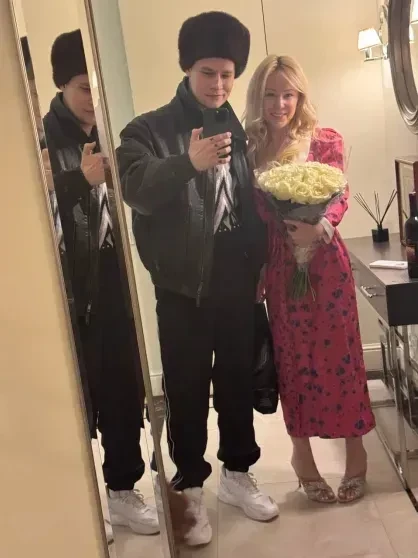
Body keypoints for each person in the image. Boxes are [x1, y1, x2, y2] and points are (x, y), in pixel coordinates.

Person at [117, 11, 279, 547]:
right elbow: (136, 188)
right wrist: (187, 162)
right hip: (182, 285)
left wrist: (262, 261)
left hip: (236, 277)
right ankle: (188, 486)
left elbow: (250, 203)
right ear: (187, 68)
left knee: (236, 379)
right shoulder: (147, 129)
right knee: (186, 389)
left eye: (228, 74)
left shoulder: (240, 127)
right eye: (208, 72)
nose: (218, 84)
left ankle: (237, 473)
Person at [42, 29, 158, 536]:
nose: (92, 98)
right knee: (66, 397)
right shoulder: (38, 138)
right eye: (82, 88)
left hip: (111, 278)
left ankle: (121, 490)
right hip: (60, 288)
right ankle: (78, 501)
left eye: (97, 85)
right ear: (62, 86)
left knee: (121, 390)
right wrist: (77, 180)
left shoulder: (115, 131)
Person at [245, 54, 376, 504]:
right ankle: (302, 457)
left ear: (300, 96)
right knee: (293, 361)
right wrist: (259, 266)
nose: (280, 104)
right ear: (258, 96)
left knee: (343, 357)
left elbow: (340, 196)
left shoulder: (324, 140)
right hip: (282, 268)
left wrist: (321, 226)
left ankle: (356, 455)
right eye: (270, 94)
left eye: (289, 94)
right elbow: (252, 219)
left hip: (326, 264)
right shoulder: (250, 149)